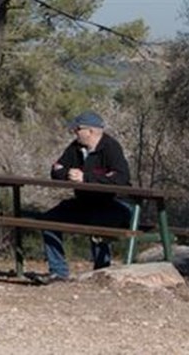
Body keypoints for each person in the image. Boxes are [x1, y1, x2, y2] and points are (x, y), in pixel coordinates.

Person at [40, 110, 132, 283]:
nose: (74, 132)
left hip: (114, 205)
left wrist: (86, 177)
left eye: (77, 129)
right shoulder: (75, 148)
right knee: (48, 220)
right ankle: (58, 273)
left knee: (98, 225)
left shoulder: (111, 147)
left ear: (90, 131)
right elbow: (56, 170)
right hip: (85, 203)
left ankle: (102, 273)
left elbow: (121, 178)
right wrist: (69, 173)